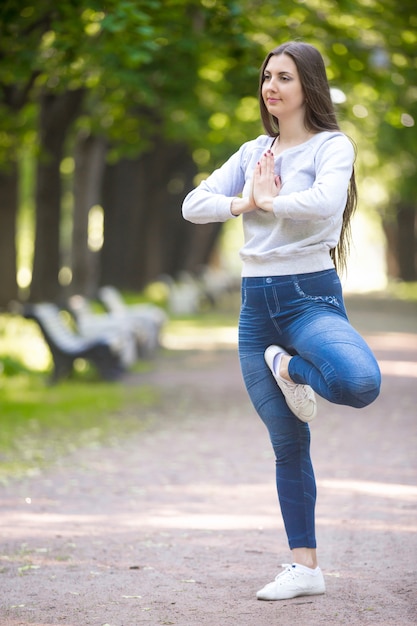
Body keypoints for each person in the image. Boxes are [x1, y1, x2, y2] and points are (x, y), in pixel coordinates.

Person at [182, 41, 381, 601]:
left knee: (359, 383)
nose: (272, 86)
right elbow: (193, 205)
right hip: (256, 310)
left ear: (308, 86)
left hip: (308, 299)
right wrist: (246, 201)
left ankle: (287, 367)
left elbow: (323, 203)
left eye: (285, 78)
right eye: (267, 76)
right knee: (288, 444)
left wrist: (271, 203)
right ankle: (305, 567)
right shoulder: (251, 153)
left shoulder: (331, 146)